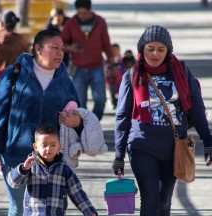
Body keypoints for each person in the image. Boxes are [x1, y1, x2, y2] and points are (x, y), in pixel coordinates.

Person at [112, 25, 212, 216]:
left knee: (164, 201)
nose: (155, 54)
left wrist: (208, 141)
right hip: (142, 146)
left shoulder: (181, 71)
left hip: (174, 148)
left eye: (161, 49)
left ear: (168, 51)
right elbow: (123, 116)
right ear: (142, 50)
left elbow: (197, 108)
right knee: (150, 199)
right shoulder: (132, 76)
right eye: (150, 49)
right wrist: (119, 154)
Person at [0, 29, 82, 216]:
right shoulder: (15, 74)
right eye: (54, 47)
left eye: (62, 48)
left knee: (45, 210)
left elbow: (78, 114)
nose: (60, 53)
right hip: (15, 156)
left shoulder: (65, 81)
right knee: (18, 208)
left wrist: (77, 121)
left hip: (49, 160)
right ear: (37, 48)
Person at [7, 126, 98, 216]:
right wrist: (23, 169)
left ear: (59, 147)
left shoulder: (64, 169)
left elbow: (76, 192)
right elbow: (13, 183)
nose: (48, 149)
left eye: (53, 145)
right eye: (44, 145)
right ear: (35, 146)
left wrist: (89, 211)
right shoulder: (30, 166)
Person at [61, 0, 114, 121]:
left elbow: (106, 43)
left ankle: (93, 121)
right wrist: (70, 48)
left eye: (84, 13)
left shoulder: (100, 22)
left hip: (97, 67)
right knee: (80, 103)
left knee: (100, 99)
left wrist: (112, 62)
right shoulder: (71, 23)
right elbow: (62, 43)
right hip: (78, 68)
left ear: (90, 10)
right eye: (79, 13)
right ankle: (84, 128)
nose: (82, 16)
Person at [106, 43, 124, 109]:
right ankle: (112, 102)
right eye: (113, 50)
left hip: (120, 79)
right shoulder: (109, 60)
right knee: (111, 92)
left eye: (116, 50)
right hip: (111, 80)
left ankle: (120, 103)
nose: (114, 52)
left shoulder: (121, 60)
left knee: (120, 92)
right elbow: (106, 69)